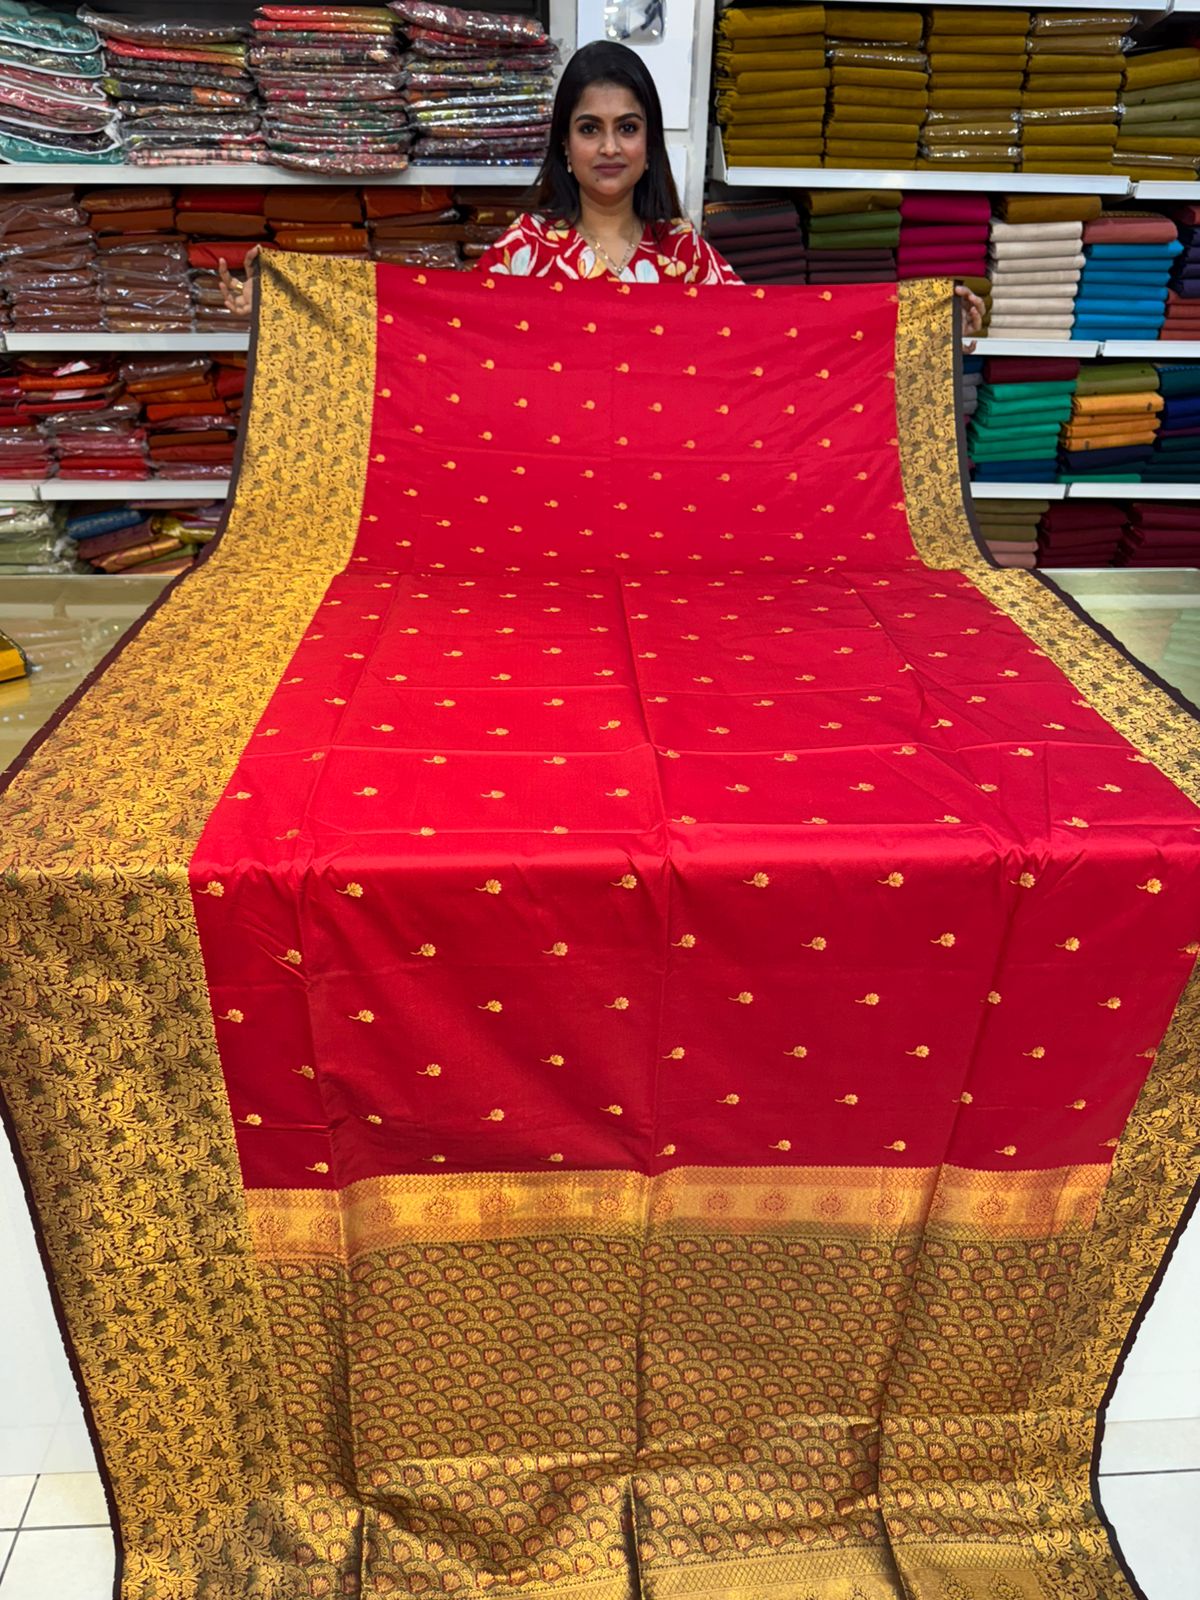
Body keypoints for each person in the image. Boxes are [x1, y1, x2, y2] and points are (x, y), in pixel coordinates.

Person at [218, 41, 983, 339]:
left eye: (627, 127)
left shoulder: (685, 255)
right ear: (565, 146)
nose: (610, 147)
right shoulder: (525, 250)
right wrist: (283, 312)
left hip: (665, 488)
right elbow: (432, 332)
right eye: (590, 129)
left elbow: (778, 335)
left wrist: (918, 321)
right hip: (547, 491)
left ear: (650, 146)